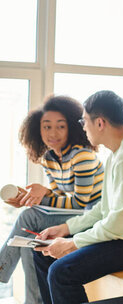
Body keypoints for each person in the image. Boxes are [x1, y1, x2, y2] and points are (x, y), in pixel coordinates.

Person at [32, 90, 123, 304]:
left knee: (62, 273)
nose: (82, 126)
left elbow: (120, 226)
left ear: (100, 123)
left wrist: (73, 244)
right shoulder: (118, 153)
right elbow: (104, 209)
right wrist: (66, 229)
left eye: (84, 121)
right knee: (43, 253)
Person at [0, 95, 103, 304]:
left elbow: (80, 203)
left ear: (72, 128)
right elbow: (61, 197)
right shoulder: (49, 158)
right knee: (31, 245)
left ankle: (1, 267)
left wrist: (41, 198)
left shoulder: (82, 156)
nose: (52, 133)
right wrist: (39, 195)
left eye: (60, 126)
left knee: (29, 216)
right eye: (46, 127)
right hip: (72, 215)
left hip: (92, 217)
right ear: (37, 130)